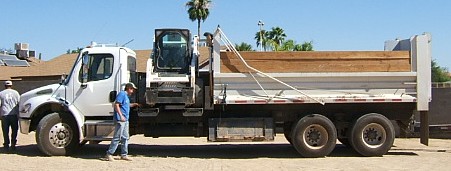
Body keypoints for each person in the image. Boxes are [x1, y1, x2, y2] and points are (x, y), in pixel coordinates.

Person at [105, 83, 139, 161]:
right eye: (132, 89)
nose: (133, 91)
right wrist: (121, 116)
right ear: (128, 88)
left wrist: (133, 104)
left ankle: (124, 154)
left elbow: (125, 105)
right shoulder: (122, 94)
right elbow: (116, 105)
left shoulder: (126, 97)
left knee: (125, 137)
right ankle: (109, 154)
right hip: (121, 120)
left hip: (125, 120)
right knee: (117, 137)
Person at [0, 80, 20, 152]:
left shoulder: (1, 93)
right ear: (11, 85)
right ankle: (13, 144)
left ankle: (6, 144)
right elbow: (19, 103)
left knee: (5, 130)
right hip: (14, 114)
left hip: (5, 114)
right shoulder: (16, 93)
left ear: (5, 86)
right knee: (14, 130)